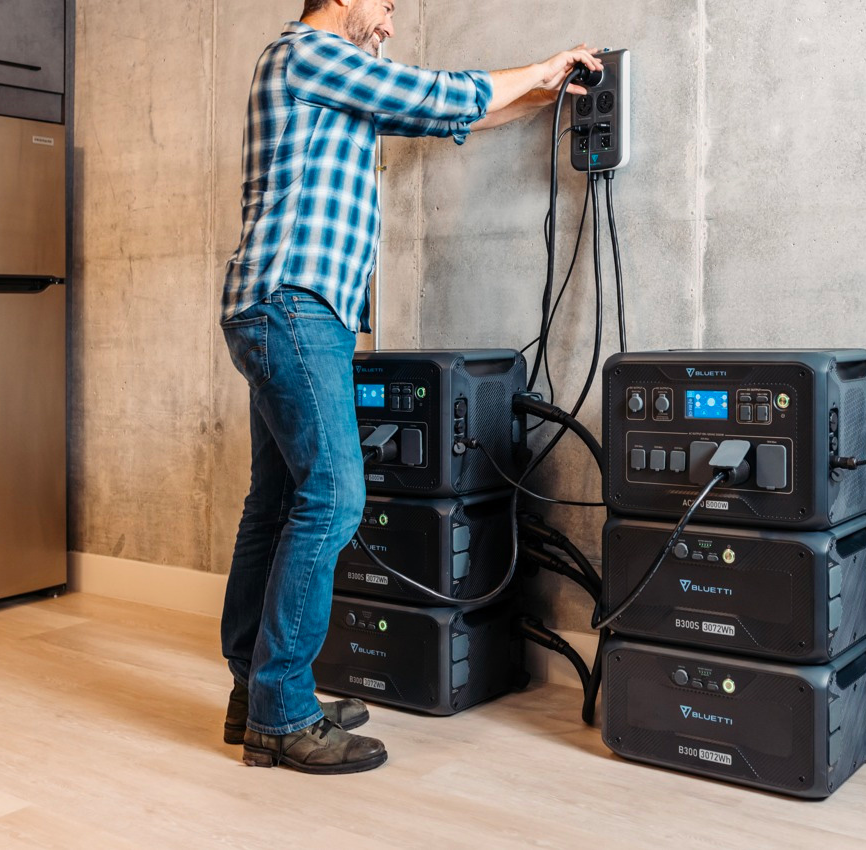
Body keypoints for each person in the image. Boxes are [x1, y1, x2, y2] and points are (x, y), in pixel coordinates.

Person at [218, 0, 602, 774]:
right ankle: (281, 713)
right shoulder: (307, 56)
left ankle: (257, 694)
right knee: (333, 497)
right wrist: (544, 64)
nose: (389, 25)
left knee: (279, 501)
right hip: (294, 304)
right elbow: (437, 93)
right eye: (387, 5)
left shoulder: (332, 81)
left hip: (288, 306)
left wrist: (545, 94)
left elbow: (448, 115)